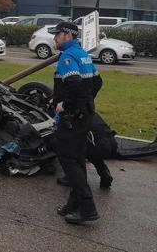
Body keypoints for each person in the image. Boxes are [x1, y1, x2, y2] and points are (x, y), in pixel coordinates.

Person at [48, 21, 103, 225]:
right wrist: (87, 102)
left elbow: (73, 83)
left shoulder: (67, 57)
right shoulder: (83, 54)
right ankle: (74, 205)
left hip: (72, 119)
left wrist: (66, 106)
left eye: (57, 35)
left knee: (69, 161)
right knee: (78, 161)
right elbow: (97, 82)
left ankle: (88, 208)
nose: (54, 38)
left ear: (67, 36)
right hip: (85, 116)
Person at [57, 114, 116, 189]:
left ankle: (74, 178)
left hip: (99, 144)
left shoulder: (74, 115)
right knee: (93, 153)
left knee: (73, 151)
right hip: (111, 143)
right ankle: (105, 174)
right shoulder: (90, 112)